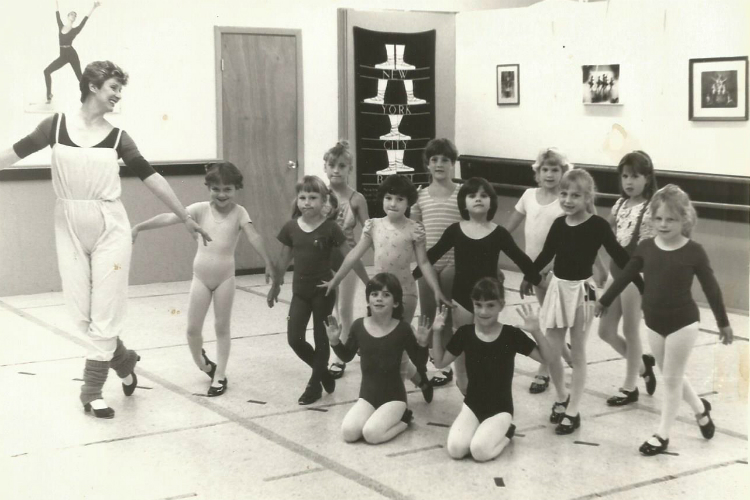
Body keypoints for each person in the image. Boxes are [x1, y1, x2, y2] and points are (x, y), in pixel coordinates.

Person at [0, 60, 210, 418]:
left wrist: (184, 217)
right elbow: (13, 153)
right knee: (82, 316)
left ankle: (91, 391)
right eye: (114, 87)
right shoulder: (55, 125)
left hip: (110, 225)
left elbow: (152, 177)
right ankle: (126, 362)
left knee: (106, 313)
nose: (117, 95)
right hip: (67, 220)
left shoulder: (118, 136)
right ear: (94, 86)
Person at [596, 185, 733, 456]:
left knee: (670, 378)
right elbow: (626, 275)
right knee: (673, 375)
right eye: (658, 219)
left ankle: (662, 434)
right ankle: (700, 410)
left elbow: (711, 288)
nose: (663, 224)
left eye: (670, 219)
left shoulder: (694, 251)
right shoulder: (646, 247)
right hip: (654, 323)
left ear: (685, 220)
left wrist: (723, 323)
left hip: (684, 323)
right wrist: (605, 299)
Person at [131, 162, 274, 397]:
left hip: (225, 278)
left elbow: (253, 235)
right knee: (192, 330)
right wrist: (139, 227)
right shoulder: (199, 209)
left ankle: (220, 375)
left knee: (221, 327)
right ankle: (205, 365)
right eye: (216, 189)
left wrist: (268, 261)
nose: (221, 194)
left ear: (236, 189)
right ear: (208, 188)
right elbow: (169, 217)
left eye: (227, 189)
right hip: (201, 277)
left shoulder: (240, 213)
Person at [520, 169, 640, 435]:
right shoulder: (559, 225)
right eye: (564, 194)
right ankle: (561, 397)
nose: (568, 200)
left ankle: (573, 410)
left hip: (582, 293)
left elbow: (620, 256)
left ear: (588, 198)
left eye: (575, 195)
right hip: (557, 289)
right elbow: (546, 255)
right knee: (551, 350)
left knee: (577, 353)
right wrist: (529, 276)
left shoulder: (597, 226)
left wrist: (643, 285)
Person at [322, 174, 450, 403]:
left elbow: (423, 263)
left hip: (405, 294)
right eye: (389, 198)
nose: (393, 203)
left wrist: (437, 289)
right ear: (382, 199)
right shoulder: (373, 226)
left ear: (408, 202)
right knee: (383, 346)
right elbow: (353, 254)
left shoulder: (415, 229)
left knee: (397, 346)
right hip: (378, 295)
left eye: (399, 199)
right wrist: (336, 279)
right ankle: (419, 380)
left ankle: (396, 400)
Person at [416, 177, 541, 395]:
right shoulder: (455, 230)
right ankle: (464, 385)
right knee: (462, 345)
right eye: (472, 195)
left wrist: (539, 280)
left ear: (492, 202)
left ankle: (484, 386)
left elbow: (521, 259)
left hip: (488, 300)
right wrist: (411, 277)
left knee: (485, 342)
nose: (478, 199)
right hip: (462, 298)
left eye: (483, 195)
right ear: (463, 203)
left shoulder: (499, 233)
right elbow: (431, 256)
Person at [267, 176, 368, 405]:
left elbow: (350, 255)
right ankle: (322, 373)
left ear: (324, 201)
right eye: (302, 197)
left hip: (323, 292)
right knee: (295, 339)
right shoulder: (291, 227)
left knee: (321, 340)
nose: (307, 202)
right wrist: (275, 285)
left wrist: (367, 281)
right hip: (300, 293)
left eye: (313, 197)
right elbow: (284, 259)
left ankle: (314, 386)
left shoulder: (331, 228)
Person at [429, 276, 552, 462]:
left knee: (480, 451)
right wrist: (437, 332)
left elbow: (547, 358)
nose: (483, 311)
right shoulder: (465, 334)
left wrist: (536, 331)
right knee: (455, 450)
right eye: (478, 305)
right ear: (472, 304)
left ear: (501, 305)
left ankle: (507, 433)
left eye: (490, 305)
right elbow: (439, 362)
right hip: (472, 405)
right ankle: (483, 430)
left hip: (500, 409)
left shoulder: (511, 335)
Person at [326, 273, 429, 444]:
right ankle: (378, 416)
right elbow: (346, 356)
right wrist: (335, 341)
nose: (379, 299)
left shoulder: (403, 329)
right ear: (368, 300)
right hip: (367, 397)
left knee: (371, 434)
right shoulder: (359, 325)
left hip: (394, 398)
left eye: (386, 294)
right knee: (349, 433)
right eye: (374, 294)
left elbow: (420, 362)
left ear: (395, 302)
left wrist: (423, 344)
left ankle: (404, 419)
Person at [505, 147, 572, 394]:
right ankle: (568, 356)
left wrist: (547, 268)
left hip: (555, 270)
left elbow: (567, 241)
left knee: (548, 320)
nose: (550, 174)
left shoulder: (565, 201)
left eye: (556, 169)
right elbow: (507, 229)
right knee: (549, 318)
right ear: (538, 172)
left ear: (563, 172)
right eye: (546, 169)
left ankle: (545, 369)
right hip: (533, 271)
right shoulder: (528, 196)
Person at [597, 151, 659, 406]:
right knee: (605, 331)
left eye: (635, 176)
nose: (629, 182)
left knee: (630, 330)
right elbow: (603, 230)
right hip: (615, 271)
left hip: (636, 274)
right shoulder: (620, 204)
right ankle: (643, 366)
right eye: (625, 176)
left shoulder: (651, 207)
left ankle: (630, 386)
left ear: (647, 178)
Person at [409, 138, 462, 387]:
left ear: (453, 164)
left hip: (453, 262)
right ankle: (431, 356)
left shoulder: (461, 195)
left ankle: (446, 364)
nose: (439, 164)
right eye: (434, 160)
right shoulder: (419, 196)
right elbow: (414, 231)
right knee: (428, 314)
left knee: (447, 316)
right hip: (426, 263)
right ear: (427, 165)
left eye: (445, 160)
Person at [322, 140, 369, 380]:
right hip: (322, 261)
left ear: (350, 168)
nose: (336, 170)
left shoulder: (357, 199)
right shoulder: (318, 195)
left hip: (347, 260)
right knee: (326, 308)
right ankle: (334, 347)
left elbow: (369, 233)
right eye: (332, 165)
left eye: (342, 165)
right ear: (325, 167)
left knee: (344, 308)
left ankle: (340, 356)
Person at [44, 1, 101, 103]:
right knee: (46, 71)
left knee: (80, 77)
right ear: (68, 16)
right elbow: (57, 13)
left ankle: (93, 95)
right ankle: (49, 95)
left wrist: (93, 7)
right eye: (72, 14)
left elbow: (84, 20)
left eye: (75, 16)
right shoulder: (60, 25)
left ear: (74, 19)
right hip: (63, 56)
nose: (73, 16)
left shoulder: (75, 30)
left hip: (72, 55)